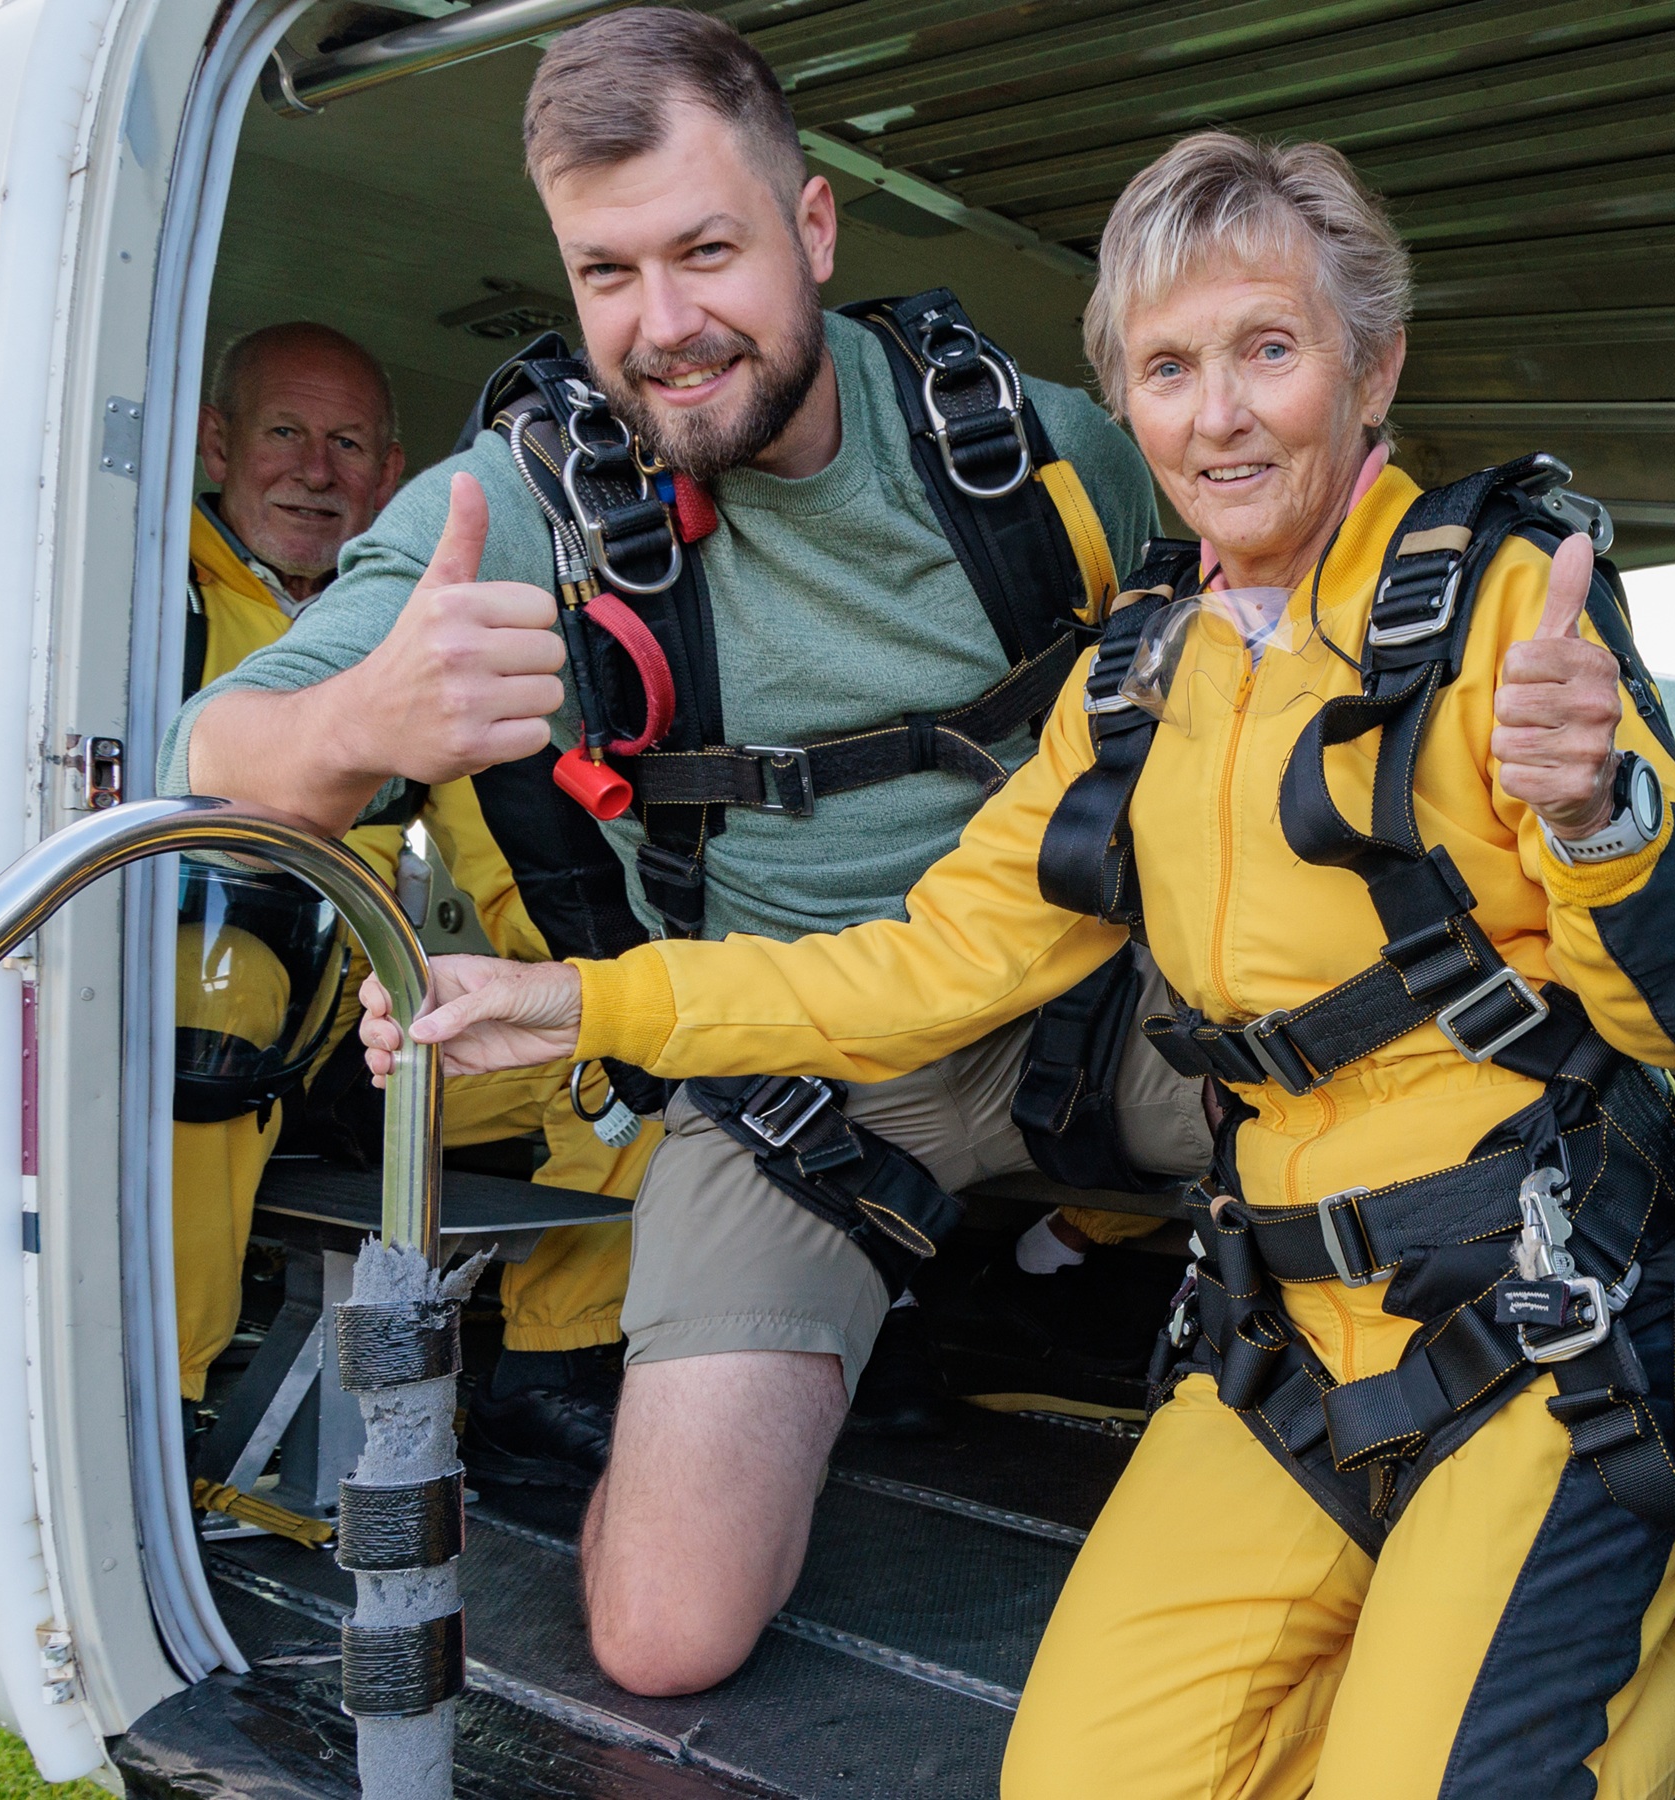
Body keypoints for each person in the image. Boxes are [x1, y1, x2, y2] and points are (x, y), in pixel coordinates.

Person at [359, 133, 1675, 1797]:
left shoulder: (1500, 605)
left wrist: (1594, 805)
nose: (1218, 415)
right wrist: (575, 1002)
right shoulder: (1139, 677)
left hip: (1546, 1326)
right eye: (1167, 368)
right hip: (1292, 1342)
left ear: (1371, 367)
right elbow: (918, 971)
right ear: (1127, 403)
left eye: (1268, 351)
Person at [163, 10, 1210, 1697]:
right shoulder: (523, 507)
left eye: (707, 250)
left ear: (811, 231)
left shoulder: (1035, 453)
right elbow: (210, 758)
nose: (664, 327)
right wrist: (364, 713)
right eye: (607, 273)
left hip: (1096, 1004)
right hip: (794, 1072)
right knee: (663, 1639)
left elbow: (1279, 617)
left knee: (1410, 1062)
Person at [173, 322, 648, 1483]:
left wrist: (584, 986)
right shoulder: (142, 591)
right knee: (219, 982)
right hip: (215, 1002)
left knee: (633, 1035)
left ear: (392, 477)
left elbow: (514, 845)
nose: (316, 470)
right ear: (216, 444)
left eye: (348, 444)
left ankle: (553, 1371)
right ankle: (163, 1400)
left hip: (373, 1027)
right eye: (286, 433)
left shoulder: (426, 622)